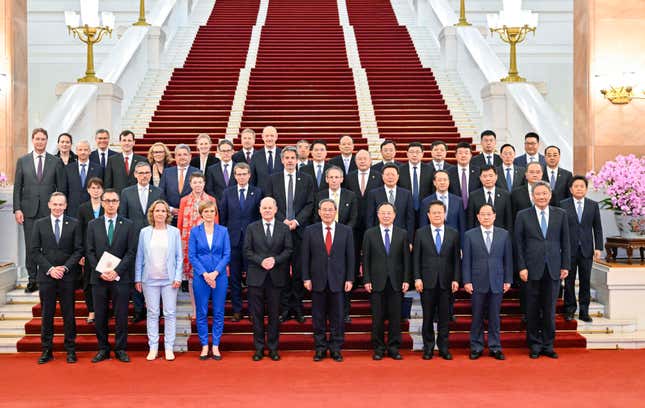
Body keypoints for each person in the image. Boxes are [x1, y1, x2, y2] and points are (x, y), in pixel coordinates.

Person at [515, 181, 570, 359]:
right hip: (531, 269)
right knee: (531, 308)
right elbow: (518, 244)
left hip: (553, 268)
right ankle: (534, 344)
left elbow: (565, 242)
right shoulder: (523, 215)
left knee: (549, 309)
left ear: (550, 195)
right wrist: (521, 266)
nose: (541, 197)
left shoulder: (560, 214)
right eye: (538, 194)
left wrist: (565, 265)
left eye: (544, 193)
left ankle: (548, 344)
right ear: (532, 196)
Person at [30, 192, 83, 364]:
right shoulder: (39, 224)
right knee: (47, 315)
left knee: (69, 315)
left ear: (66, 206)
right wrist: (51, 269)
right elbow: (34, 251)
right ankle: (46, 350)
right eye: (55, 204)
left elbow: (78, 250)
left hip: (68, 277)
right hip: (47, 277)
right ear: (49, 205)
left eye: (61, 204)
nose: (58, 207)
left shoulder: (74, 224)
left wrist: (65, 267)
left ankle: (70, 350)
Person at [86, 189, 137, 363]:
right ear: (101, 203)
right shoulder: (93, 224)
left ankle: (120, 349)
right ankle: (103, 349)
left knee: (121, 315)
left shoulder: (128, 224)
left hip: (120, 278)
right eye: (107, 201)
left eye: (114, 201)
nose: (110, 204)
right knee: (100, 315)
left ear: (119, 203)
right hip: (98, 279)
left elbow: (131, 252)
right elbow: (90, 251)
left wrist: (116, 271)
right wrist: (101, 271)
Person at [14, 128, 66, 293]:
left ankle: (49, 277)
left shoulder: (55, 161)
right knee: (31, 246)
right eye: (37, 139)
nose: (40, 142)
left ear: (47, 141)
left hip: (50, 211)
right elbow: (17, 188)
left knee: (51, 246)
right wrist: (17, 209)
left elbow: (62, 187)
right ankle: (32, 279)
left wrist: (60, 207)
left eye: (43, 139)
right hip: (29, 212)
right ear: (32, 140)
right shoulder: (23, 161)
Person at [265, 146, 314, 323]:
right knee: (282, 270)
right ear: (282, 160)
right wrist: (283, 220)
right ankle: (285, 308)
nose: (290, 160)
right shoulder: (273, 179)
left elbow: (310, 203)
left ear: (297, 159)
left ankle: (298, 306)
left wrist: (296, 221)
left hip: (300, 231)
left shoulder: (307, 179)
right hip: (280, 230)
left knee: (300, 270)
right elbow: (269, 201)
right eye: (287, 157)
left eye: (293, 157)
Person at [302, 199, 355, 362]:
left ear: (335, 211)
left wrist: (350, 278)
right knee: (318, 317)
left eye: (330, 210)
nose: (327, 213)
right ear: (319, 212)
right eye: (324, 210)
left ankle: (335, 348)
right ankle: (320, 348)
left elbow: (350, 256)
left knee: (337, 317)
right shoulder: (310, 230)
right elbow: (305, 257)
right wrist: (306, 277)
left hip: (338, 281)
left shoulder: (345, 231)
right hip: (317, 280)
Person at [243, 197, 293, 361]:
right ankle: (258, 349)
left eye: (270, 208)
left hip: (276, 277)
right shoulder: (251, 227)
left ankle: (272, 348)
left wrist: (275, 260)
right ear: (259, 209)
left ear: (276, 209)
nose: (267, 210)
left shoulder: (283, 228)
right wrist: (261, 261)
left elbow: (288, 249)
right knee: (256, 316)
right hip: (256, 277)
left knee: (274, 315)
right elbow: (247, 250)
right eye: (264, 208)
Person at [463, 204, 513, 360]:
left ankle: (495, 346)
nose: (485, 217)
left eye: (488, 214)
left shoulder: (504, 234)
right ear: (478, 217)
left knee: (494, 316)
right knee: (477, 316)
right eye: (482, 214)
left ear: (494, 216)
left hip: (497, 280)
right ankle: (476, 347)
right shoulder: (470, 235)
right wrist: (467, 280)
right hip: (477, 281)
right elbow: (466, 261)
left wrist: (508, 279)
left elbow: (508, 260)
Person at [135, 200, 183, 361]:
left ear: (167, 214)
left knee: (170, 313)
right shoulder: (144, 232)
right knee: (153, 313)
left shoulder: (174, 232)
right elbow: (139, 257)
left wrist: (178, 277)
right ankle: (153, 347)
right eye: (157, 211)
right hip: (149, 280)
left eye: (163, 211)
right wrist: (138, 278)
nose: (160, 213)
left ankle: (169, 347)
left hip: (170, 280)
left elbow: (179, 257)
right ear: (152, 213)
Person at [362, 202, 411, 360]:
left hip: (396, 281)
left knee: (396, 317)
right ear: (378, 215)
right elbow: (366, 258)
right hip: (376, 281)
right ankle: (378, 348)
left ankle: (393, 347)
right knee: (377, 317)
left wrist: (406, 279)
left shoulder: (402, 233)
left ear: (395, 215)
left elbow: (406, 259)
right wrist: (366, 279)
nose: (386, 215)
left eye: (389, 213)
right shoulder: (370, 233)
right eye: (383, 213)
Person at [413, 200, 460, 360]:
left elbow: (456, 260)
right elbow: (416, 258)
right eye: (434, 212)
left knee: (444, 317)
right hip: (426, 282)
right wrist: (417, 278)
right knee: (427, 317)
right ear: (428, 215)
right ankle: (428, 348)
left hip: (447, 282)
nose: (437, 215)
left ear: (444, 214)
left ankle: (444, 348)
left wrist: (456, 279)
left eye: (440, 212)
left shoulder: (453, 233)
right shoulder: (420, 233)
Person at [119, 162, 163, 323]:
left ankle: (156, 309)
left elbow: (162, 215)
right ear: (135, 175)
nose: (144, 176)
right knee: (136, 274)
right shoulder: (126, 193)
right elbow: (122, 217)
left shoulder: (158, 192)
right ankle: (138, 309)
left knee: (155, 272)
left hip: (155, 239)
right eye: (141, 173)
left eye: (147, 173)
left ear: (151, 175)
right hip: (134, 239)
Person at [314, 166, 358, 322]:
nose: (333, 180)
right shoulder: (319, 195)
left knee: (342, 277)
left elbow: (354, 218)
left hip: (343, 241)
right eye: (330, 177)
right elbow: (315, 218)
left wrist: (341, 232)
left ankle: (344, 312)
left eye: (336, 177)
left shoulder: (350, 195)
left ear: (342, 179)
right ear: (326, 179)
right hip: (323, 240)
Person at [188, 201, 231, 360]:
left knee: (219, 311)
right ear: (201, 213)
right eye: (205, 211)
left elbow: (227, 254)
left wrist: (215, 273)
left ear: (215, 213)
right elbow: (192, 255)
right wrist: (205, 274)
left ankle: (216, 345)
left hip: (219, 277)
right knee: (202, 312)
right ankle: (205, 345)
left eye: (211, 211)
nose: (209, 214)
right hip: (201, 277)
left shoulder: (223, 231)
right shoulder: (195, 232)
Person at [219, 162, 262, 321]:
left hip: (253, 242)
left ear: (249, 175)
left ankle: (252, 310)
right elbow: (223, 218)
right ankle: (237, 310)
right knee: (235, 277)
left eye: (245, 174)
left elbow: (259, 217)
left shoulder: (257, 192)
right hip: (233, 241)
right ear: (234, 175)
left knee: (252, 278)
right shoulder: (227, 193)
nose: (242, 177)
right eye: (239, 174)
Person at [561, 176, 603, 323]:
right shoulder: (563, 205)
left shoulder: (593, 205)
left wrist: (598, 247)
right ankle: (569, 310)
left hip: (586, 249)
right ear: (571, 189)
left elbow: (597, 228)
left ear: (586, 189)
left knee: (585, 281)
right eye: (576, 186)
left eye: (582, 186)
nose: (579, 188)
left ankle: (584, 311)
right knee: (569, 281)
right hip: (568, 250)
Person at [177, 172, 217, 315]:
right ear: (190, 184)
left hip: (208, 245)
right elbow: (180, 224)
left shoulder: (211, 199)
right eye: (195, 182)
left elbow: (216, 223)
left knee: (208, 274)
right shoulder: (184, 201)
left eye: (200, 182)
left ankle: (206, 307)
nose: (198, 185)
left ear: (204, 183)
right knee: (193, 278)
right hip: (189, 245)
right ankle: (195, 309)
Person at [343, 150, 383, 283]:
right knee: (352, 251)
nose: (362, 161)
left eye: (365, 158)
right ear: (355, 161)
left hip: (373, 222)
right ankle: (353, 279)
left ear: (371, 161)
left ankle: (370, 279)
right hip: (353, 222)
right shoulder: (349, 177)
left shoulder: (378, 176)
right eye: (359, 159)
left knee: (372, 252)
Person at [77, 177, 104, 324]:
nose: (95, 190)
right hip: (88, 252)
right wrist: (81, 254)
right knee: (88, 282)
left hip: (105, 253)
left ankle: (103, 310)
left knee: (104, 282)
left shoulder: (107, 206)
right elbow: (79, 232)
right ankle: (92, 311)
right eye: (93, 188)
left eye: (98, 187)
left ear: (102, 190)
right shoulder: (83, 208)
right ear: (88, 190)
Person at [366, 163, 415, 244]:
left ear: (398, 176)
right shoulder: (373, 194)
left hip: (401, 237)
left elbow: (410, 219)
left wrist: (409, 241)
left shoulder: (406, 194)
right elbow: (370, 218)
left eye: (393, 174)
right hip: (379, 236)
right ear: (382, 176)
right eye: (387, 174)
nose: (390, 177)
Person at [158, 144, 200, 222]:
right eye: (179, 155)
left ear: (190, 156)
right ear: (175, 157)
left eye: (185, 154)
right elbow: (161, 193)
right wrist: (170, 209)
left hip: (191, 216)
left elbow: (200, 194)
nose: (182, 157)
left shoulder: (197, 172)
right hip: (170, 217)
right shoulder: (167, 172)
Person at [466, 165, 513, 232]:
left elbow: (509, 220)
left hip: (500, 235)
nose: (488, 179)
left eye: (491, 176)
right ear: (480, 178)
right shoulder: (473, 195)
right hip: (479, 235)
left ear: (496, 177)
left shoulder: (505, 195)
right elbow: (471, 220)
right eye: (484, 176)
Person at [64, 140, 103, 218]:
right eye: (80, 150)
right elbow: (64, 190)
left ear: (90, 151)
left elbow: (101, 189)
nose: (83, 152)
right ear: (76, 151)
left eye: (85, 150)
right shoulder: (68, 168)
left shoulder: (98, 168)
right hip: (72, 209)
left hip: (92, 209)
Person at [104, 130, 146, 194]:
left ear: (134, 142)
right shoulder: (112, 160)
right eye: (124, 140)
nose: (127, 143)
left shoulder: (142, 160)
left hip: (137, 198)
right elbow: (108, 183)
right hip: (118, 199)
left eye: (129, 140)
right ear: (120, 142)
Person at [398, 142, 432, 215]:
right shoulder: (399, 170)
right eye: (411, 152)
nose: (414, 155)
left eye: (417, 152)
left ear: (422, 154)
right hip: (405, 209)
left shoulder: (430, 170)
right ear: (407, 154)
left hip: (425, 208)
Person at [448, 141, 481, 210]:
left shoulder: (478, 171)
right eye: (460, 153)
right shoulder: (448, 172)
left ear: (471, 155)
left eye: (466, 153)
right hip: (454, 209)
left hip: (475, 209)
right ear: (455, 155)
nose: (463, 155)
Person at [250, 126, 283, 192]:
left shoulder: (283, 154)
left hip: (280, 195)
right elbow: (252, 179)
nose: (269, 138)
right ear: (262, 137)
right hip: (261, 195)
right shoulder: (255, 156)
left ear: (276, 136)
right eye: (267, 136)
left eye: (272, 135)